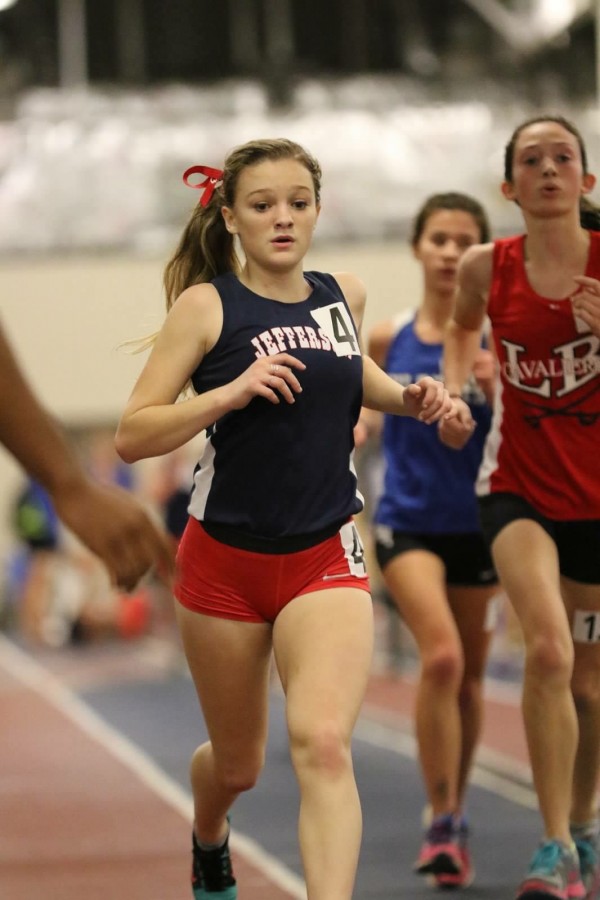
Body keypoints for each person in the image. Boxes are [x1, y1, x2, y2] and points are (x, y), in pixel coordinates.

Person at [114, 137, 458, 900]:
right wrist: (228, 393)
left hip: (324, 550)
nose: (283, 219)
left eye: (298, 203)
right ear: (231, 215)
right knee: (238, 765)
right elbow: (132, 433)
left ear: (317, 210)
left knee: (324, 743)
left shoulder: (345, 293)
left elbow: (355, 375)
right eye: (263, 205)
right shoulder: (206, 306)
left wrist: (411, 396)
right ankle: (210, 836)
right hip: (224, 561)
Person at [440, 114, 600, 900]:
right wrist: (458, 386)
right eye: (530, 161)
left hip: (598, 506)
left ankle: (584, 820)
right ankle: (552, 846)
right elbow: (461, 328)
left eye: (561, 158)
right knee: (548, 651)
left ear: (586, 181)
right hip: (518, 490)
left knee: (593, 684)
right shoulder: (485, 266)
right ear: (509, 187)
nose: (547, 170)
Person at [362, 192, 498, 889]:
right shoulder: (389, 339)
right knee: (441, 658)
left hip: (479, 525)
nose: (449, 251)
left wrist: (498, 390)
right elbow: (355, 406)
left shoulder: (497, 342)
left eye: (463, 240)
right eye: (438, 238)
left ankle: (456, 807)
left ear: (480, 253)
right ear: (417, 247)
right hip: (407, 521)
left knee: (470, 681)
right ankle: (441, 816)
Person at [0, 321, 175, 592]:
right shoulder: (43, 489)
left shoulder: (123, 477)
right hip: (57, 551)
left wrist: (71, 487)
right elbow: (35, 529)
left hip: (82, 547)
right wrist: (71, 487)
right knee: (46, 567)